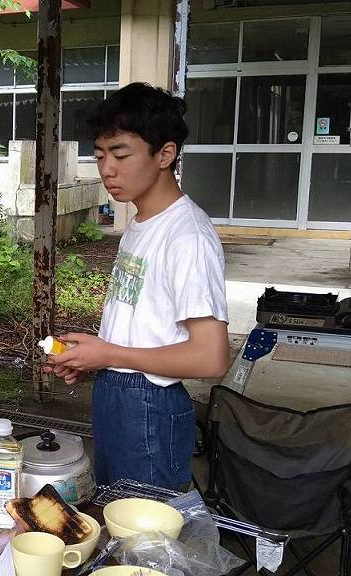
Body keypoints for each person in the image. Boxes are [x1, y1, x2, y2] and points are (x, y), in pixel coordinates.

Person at [46, 83, 230, 491]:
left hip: (151, 406)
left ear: (165, 154)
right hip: (117, 395)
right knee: (114, 512)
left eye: (121, 154)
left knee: (145, 524)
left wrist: (109, 353)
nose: (107, 169)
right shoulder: (141, 223)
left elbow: (211, 357)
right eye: (100, 156)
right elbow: (147, 328)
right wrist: (94, 358)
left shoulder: (187, 236)